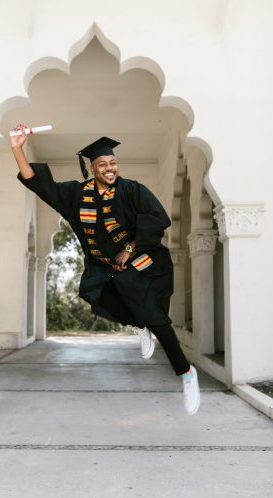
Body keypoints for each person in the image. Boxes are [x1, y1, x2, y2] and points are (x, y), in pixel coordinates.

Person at [11, 125, 200, 415]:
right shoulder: (75, 194)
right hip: (102, 267)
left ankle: (186, 374)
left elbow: (159, 218)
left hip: (141, 264)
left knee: (157, 318)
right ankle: (139, 325)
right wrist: (17, 148)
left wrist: (130, 247)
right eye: (102, 164)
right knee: (91, 293)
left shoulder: (132, 190)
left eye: (112, 163)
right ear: (92, 168)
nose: (109, 168)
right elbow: (38, 183)